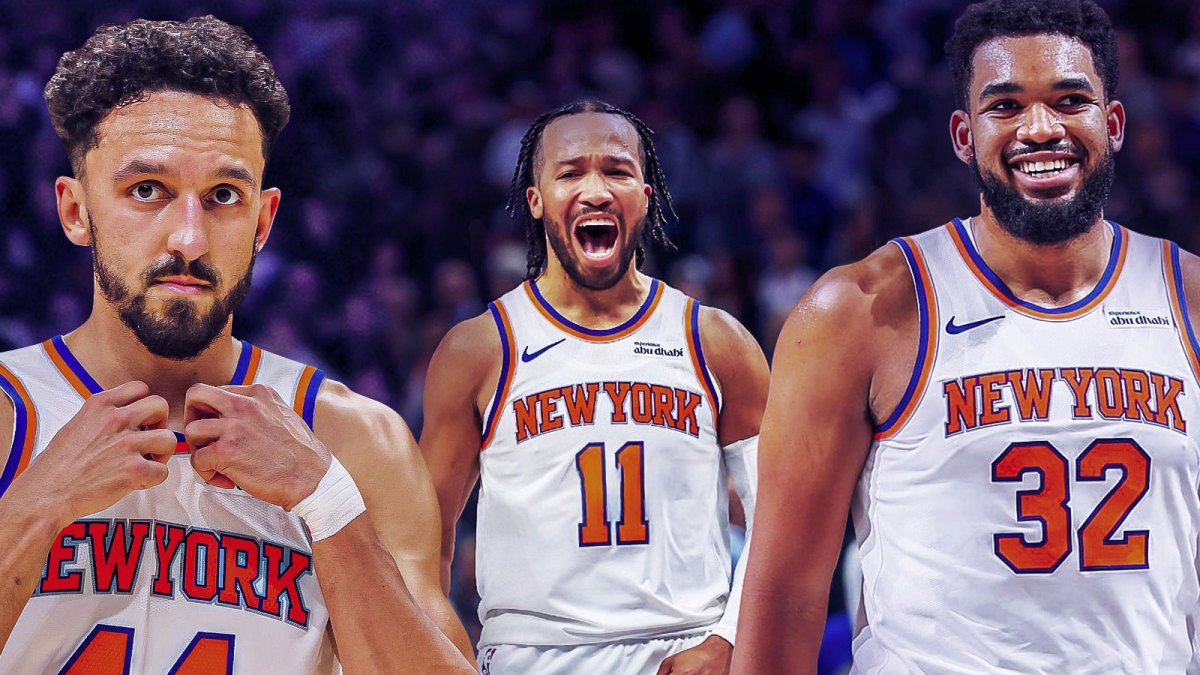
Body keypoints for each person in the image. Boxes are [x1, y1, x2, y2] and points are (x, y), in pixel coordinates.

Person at [733, 0, 1200, 672]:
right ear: (962, 134)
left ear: (1113, 122)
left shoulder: (1189, 300)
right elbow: (785, 598)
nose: (1040, 128)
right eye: (1005, 106)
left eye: (1070, 100)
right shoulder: (856, 312)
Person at [0, 17, 475, 673]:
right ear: (76, 210)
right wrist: (39, 503)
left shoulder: (354, 440)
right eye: (147, 191)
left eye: (223, 195)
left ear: (263, 219)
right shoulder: (7, 418)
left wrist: (328, 503)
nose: (189, 239)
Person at [421, 100, 769, 675]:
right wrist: (449, 654)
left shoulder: (716, 342)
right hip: (533, 658)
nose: (596, 190)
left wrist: (729, 639)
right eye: (570, 172)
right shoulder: (480, 349)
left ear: (646, 196)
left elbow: (777, 515)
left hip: (685, 648)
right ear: (535, 201)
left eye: (616, 170)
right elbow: (421, 537)